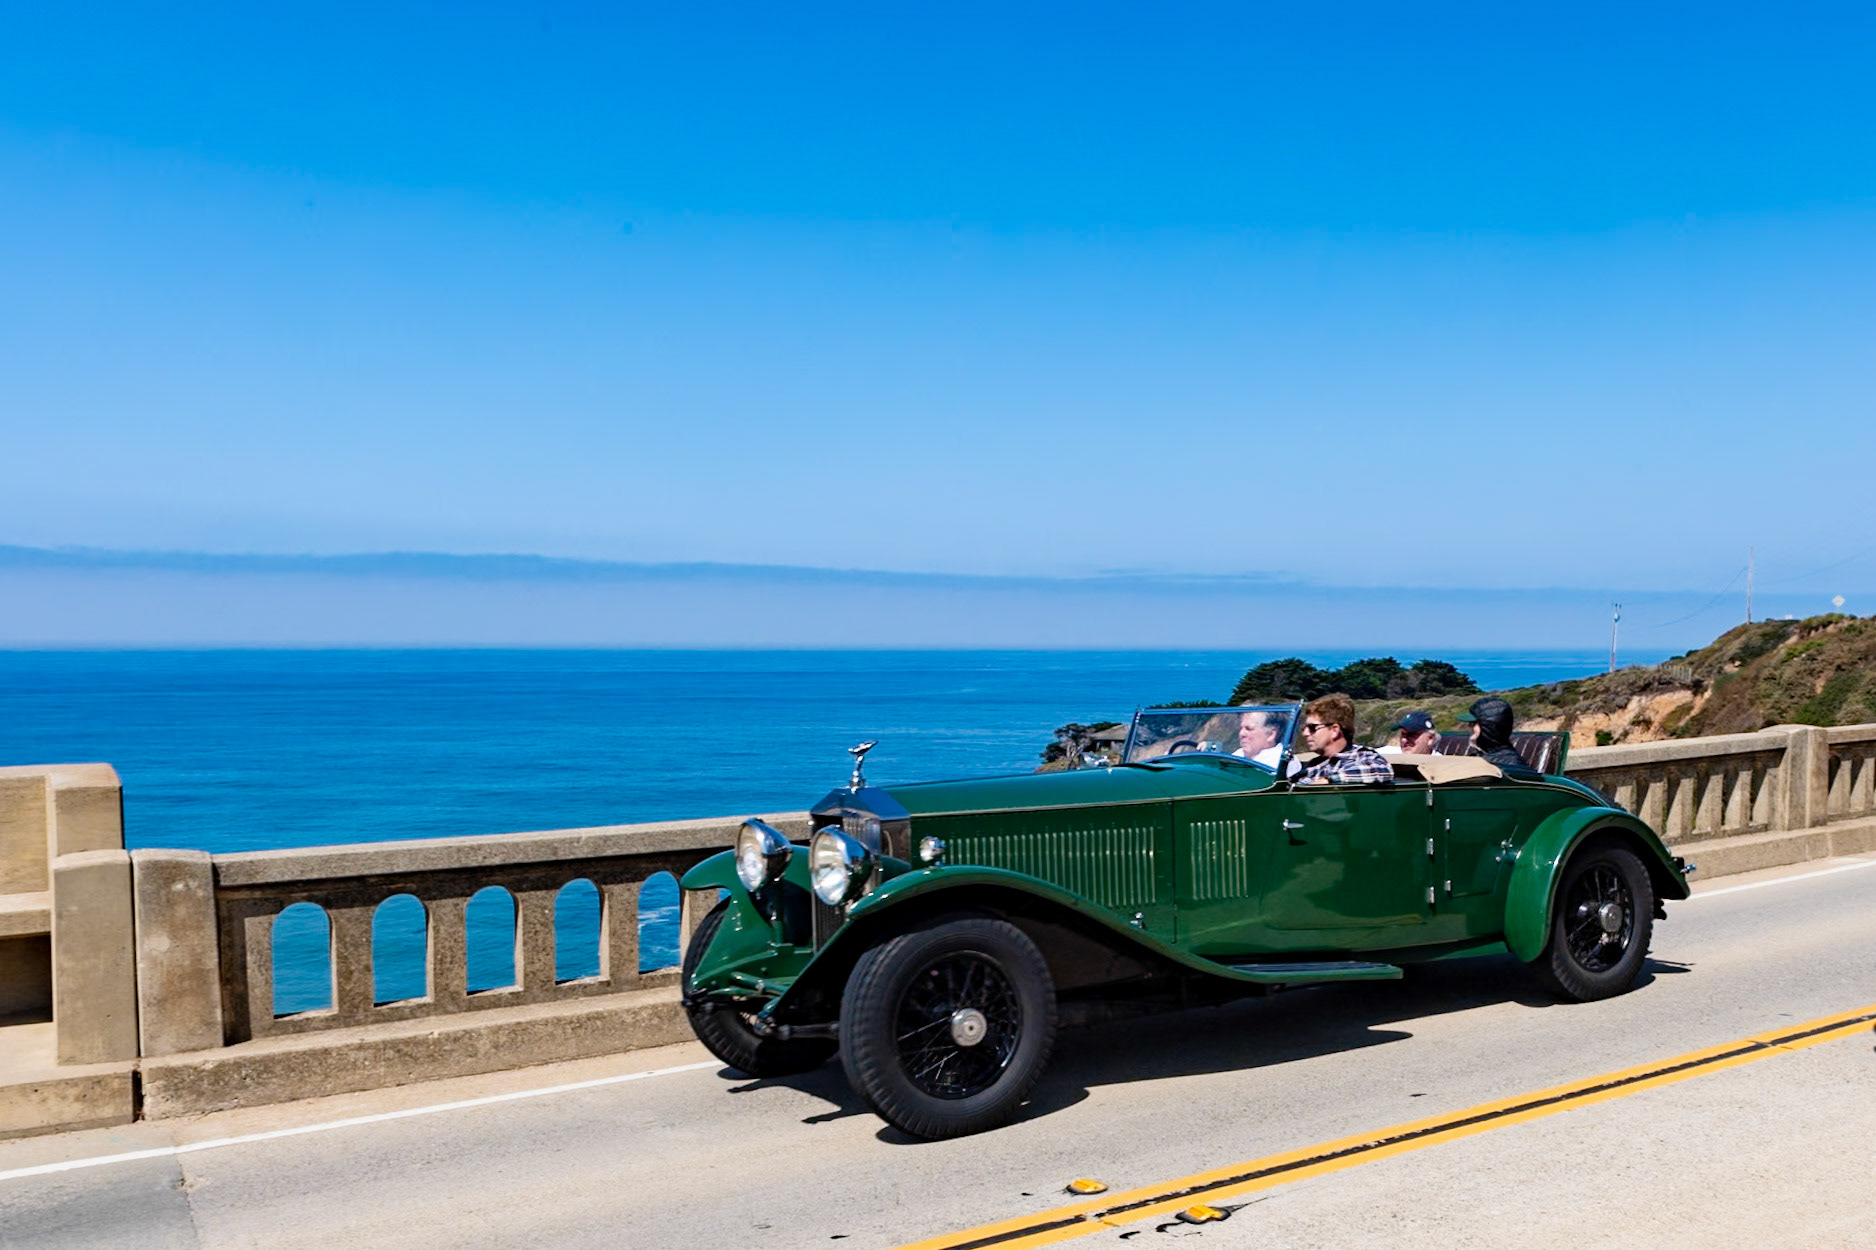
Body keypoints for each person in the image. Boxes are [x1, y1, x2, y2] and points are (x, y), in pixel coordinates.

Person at [1295, 694, 1395, 786]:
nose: (1305, 733)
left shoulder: (1363, 756)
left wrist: (1329, 780)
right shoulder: (1314, 765)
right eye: (1305, 728)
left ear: (1334, 730)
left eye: (1312, 727)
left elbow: (1381, 771)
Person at [1459, 697, 1543, 781]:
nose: (1469, 726)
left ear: (1488, 727)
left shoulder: (1509, 766)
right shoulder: (1486, 755)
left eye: (1473, 723)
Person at [1234, 708, 1302, 777]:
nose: (1241, 733)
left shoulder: (1282, 761)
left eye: (1249, 729)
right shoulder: (1238, 754)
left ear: (1271, 734)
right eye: (1241, 728)